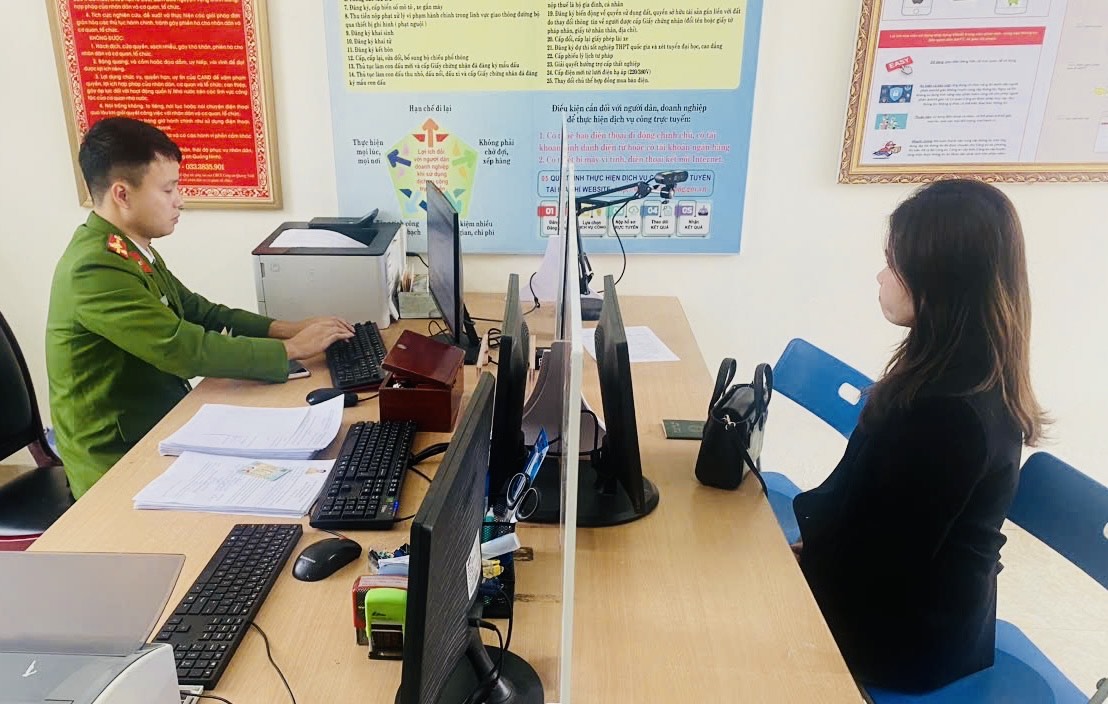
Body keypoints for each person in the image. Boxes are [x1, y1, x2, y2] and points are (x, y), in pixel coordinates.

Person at [791, 179, 1046, 692]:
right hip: (914, 606)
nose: (881, 276)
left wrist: (787, 566)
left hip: (904, 641)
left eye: (894, 263)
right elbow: (874, 526)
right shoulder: (962, 372)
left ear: (940, 280)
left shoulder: (948, 417)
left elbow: (877, 570)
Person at [46, 117, 354, 498]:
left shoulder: (129, 249)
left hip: (163, 424)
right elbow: (183, 349)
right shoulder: (94, 267)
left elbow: (200, 312)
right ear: (122, 195)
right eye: (168, 189)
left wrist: (289, 329)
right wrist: (291, 350)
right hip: (117, 459)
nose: (180, 201)